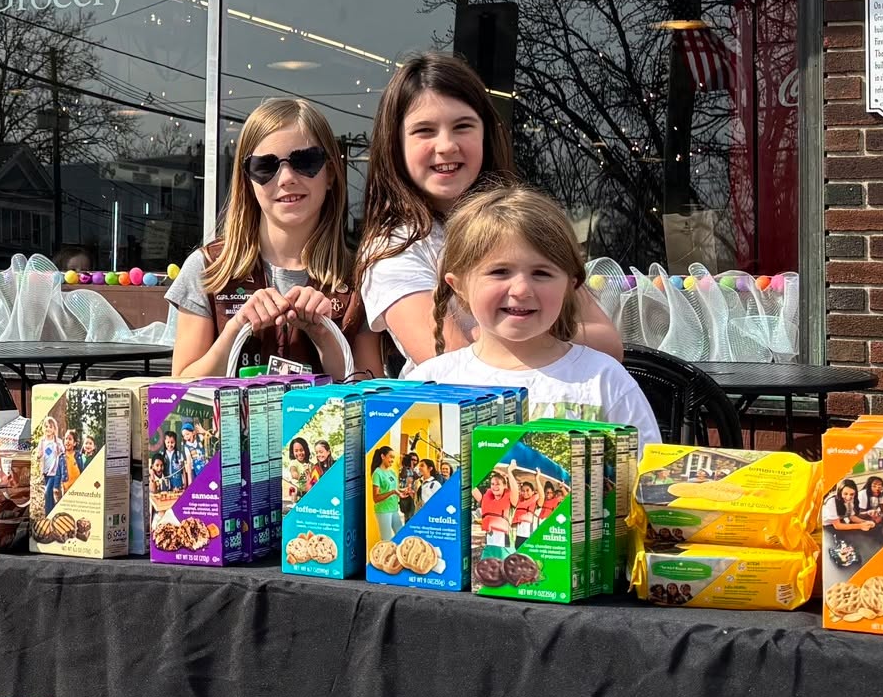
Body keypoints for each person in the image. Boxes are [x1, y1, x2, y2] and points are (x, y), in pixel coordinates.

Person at [357, 51, 623, 366]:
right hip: (464, 414)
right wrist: (545, 334)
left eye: (463, 126)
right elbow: (450, 359)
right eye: (424, 131)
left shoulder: (522, 223)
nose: (446, 146)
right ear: (395, 143)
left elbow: (608, 343)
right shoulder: (395, 248)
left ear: (486, 133)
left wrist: (504, 335)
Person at [403, 186, 662, 448]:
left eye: (541, 273)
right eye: (500, 271)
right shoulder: (429, 385)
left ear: (570, 285)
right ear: (459, 286)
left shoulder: (605, 380)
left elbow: (650, 481)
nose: (522, 290)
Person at [169, 97, 384, 380]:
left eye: (305, 161)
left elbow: (371, 393)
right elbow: (179, 389)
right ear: (247, 181)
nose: (286, 178)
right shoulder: (208, 268)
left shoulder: (360, 278)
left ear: (330, 174)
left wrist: (324, 337)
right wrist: (236, 329)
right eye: (265, 167)